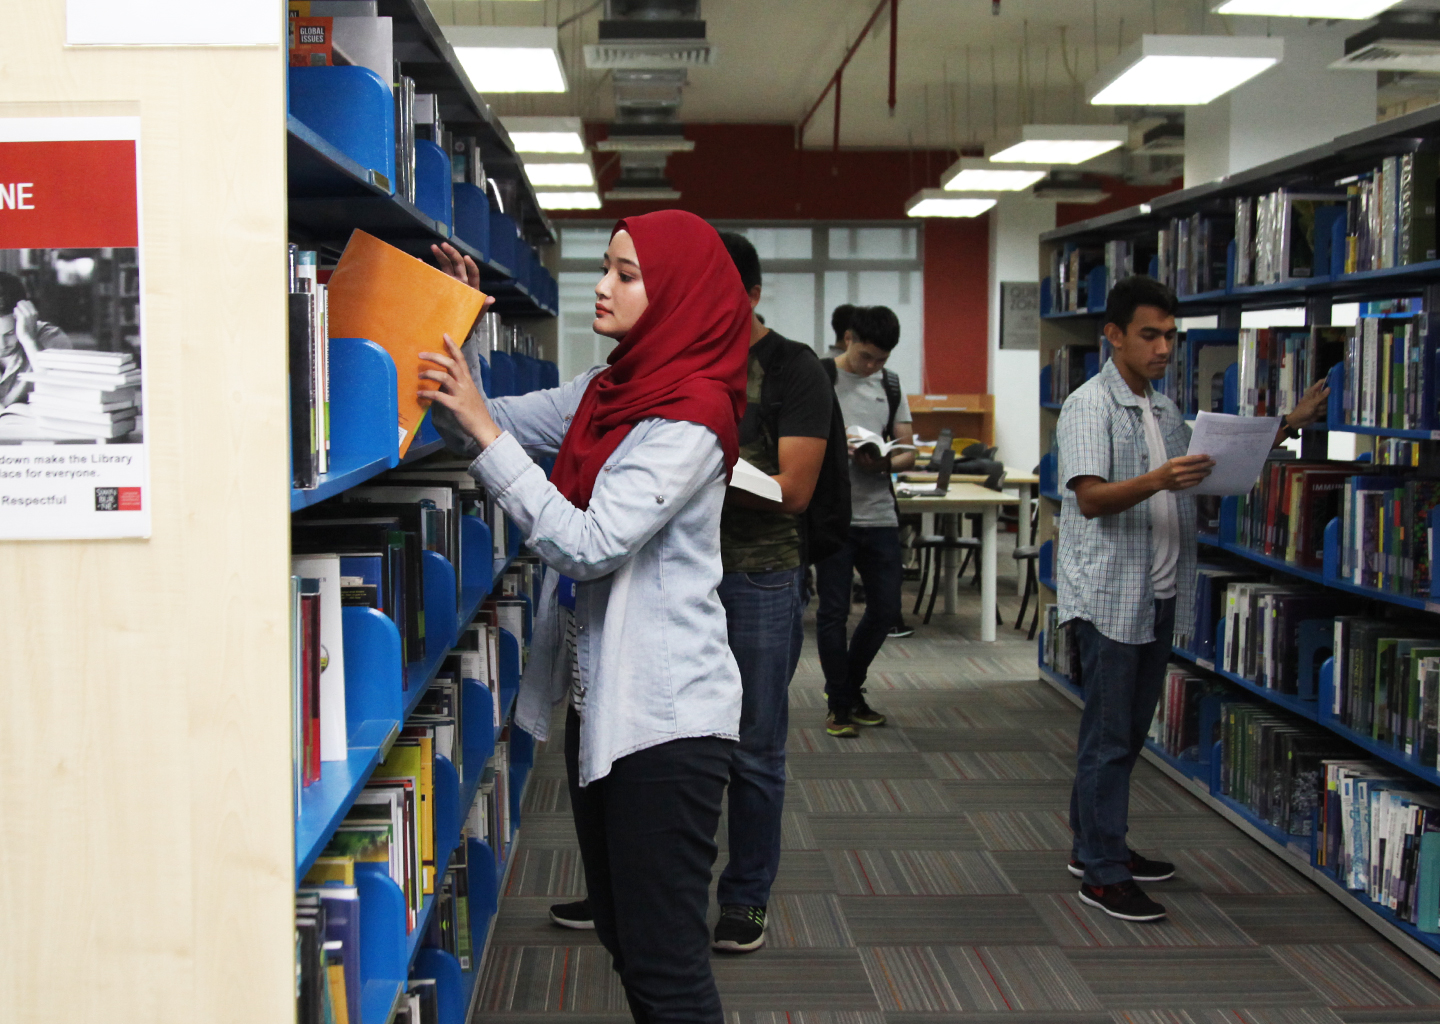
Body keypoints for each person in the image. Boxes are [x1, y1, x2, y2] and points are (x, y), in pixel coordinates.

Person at [421, 211, 751, 1022]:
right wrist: (453, 329)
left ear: (675, 294)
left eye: (627, 275)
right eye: (605, 267)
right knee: (628, 945)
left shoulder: (690, 418)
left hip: (667, 723)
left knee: (666, 965)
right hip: (603, 705)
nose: (602, 286)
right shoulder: (610, 392)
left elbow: (589, 543)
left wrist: (483, 427)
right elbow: (475, 421)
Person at [544, 233, 836, 956]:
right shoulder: (651, 370)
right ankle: (640, 881)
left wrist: (695, 468)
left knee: (753, 750)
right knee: (646, 743)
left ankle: (743, 897)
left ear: (751, 296)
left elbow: (795, 488)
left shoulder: (791, 369)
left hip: (758, 574)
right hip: (669, 575)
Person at [1057, 275, 1329, 923]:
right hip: (1108, 595)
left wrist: (1285, 425)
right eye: (1149, 335)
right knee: (1107, 736)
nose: (1162, 348)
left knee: (1123, 734)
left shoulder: (1165, 410)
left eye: (1170, 336)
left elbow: (1206, 468)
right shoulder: (1090, 407)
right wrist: (1156, 480)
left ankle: (1099, 843)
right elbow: (1090, 498)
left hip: (1158, 591)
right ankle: (1102, 872)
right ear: (1114, 336)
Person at [814, 305, 915, 738]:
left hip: (880, 515)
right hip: (834, 516)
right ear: (848, 338)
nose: (872, 366)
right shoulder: (820, 377)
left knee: (886, 609)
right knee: (834, 611)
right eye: (866, 356)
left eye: (881, 359)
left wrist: (882, 460)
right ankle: (840, 703)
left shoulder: (890, 385)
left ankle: (847, 687)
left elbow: (909, 452)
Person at [0, 273, 71, 409]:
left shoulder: (52, 338)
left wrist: (29, 340)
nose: (2, 345)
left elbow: (60, 393)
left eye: (10, 333)